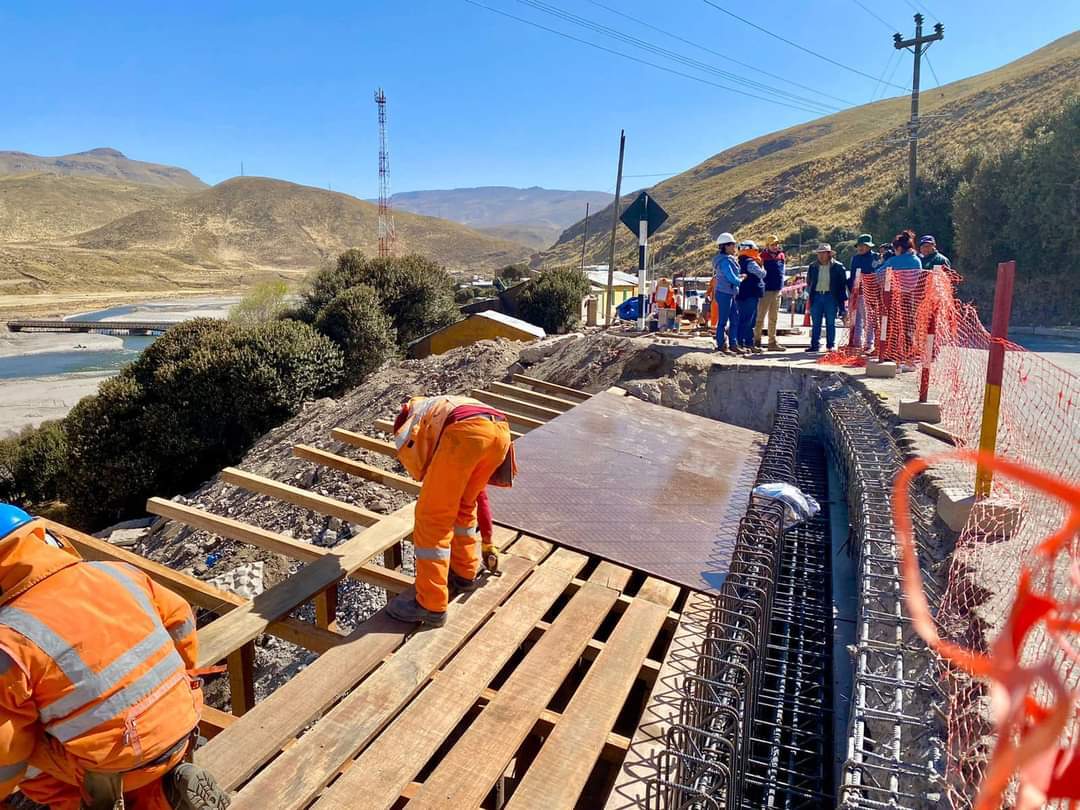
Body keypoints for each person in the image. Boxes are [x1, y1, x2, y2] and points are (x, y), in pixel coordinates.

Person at [0, 504, 230, 810]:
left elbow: (6, 753)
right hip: (183, 724)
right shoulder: (115, 572)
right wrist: (177, 676)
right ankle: (164, 794)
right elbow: (180, 617)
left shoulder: (10, 639)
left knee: (28, 751)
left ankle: (88, 805)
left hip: (116, 764)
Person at [386, 395, 516, 627]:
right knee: (465, 505)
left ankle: (431, 604)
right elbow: (480, 497)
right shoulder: (439, 409)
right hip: (502, 432)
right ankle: (465, 573)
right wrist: (487, 540)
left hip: (467, 433)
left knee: (432, 517)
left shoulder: (417, 419)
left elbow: (416, 452)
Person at [806, 243, 848, 353]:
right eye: (819, 253)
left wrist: (842, 305)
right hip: (817, 296)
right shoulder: (813, 266)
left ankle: (830, 345)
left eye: (823, 253)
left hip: (831, 297)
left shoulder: (838, 267)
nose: (821, 256)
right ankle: (814, 345)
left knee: (830, 322)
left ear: (829, 254)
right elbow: (809, 282)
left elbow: (842, 285)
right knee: (816, 323)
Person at [711, 232, 742, 354]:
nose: (735, 247)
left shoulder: (727, 260)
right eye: (733, 245)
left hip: (730, 292)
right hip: (724, 293)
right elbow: (730, 277)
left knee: (734, 318)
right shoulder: (724, 261)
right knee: (723, 320)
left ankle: (733, 344)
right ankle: (721, 345)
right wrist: (740, 280)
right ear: (726, 246)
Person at [755, 236, 786, 351]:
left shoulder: (781, 256)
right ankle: (756, 341)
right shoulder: (762, 256)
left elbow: (782, 272)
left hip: (777, 290)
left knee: (774, 318)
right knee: (760, 317)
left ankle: (772, 342)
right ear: (767, 245)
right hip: (765, 291)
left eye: (776, 244)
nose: (775, 246)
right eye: (772, 244)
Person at [735, 240, 766, 354]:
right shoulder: (751, 263)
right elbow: (762, 274)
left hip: (741, 294)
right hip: (750, 295)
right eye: (755, 250)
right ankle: (741, 343)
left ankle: (748, 343)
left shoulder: (738, 262)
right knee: (747, 321)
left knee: (745, 320)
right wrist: (761, 265)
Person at [848, 234, 877, 349]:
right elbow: (852, 275)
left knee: (869, 319)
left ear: (869, 246)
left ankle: (869, 343)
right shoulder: (855, 258)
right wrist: (851, 291)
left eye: (863, 246)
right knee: (856, 318)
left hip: (870, 292)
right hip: (856, 292)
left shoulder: (875, 257)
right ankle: (857, 342)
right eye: (859, 246)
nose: (860, 248)